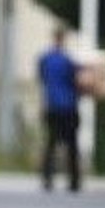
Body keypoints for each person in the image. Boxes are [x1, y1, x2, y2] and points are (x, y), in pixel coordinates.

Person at [36, 27, 82, 192]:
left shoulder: (44, 59)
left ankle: (47, 180)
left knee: (51, 144)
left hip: (52, 106)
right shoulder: (69, 61)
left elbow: (42, 80)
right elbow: (77, 82)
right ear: (63, 39)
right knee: (72, 146)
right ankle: (74, 182)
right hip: (69, 106)